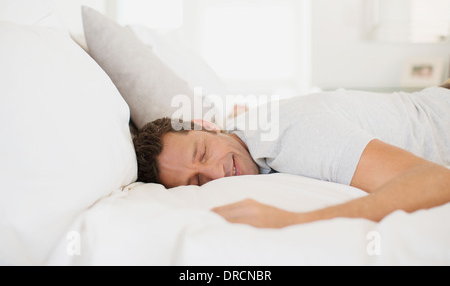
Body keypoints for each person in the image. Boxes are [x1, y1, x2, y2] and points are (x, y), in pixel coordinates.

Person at [133, 81, 450, 228]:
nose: (216, 174)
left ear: (207, 125)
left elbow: (437, 180)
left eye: (203, 153)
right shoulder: (241, 132)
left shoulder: (293, 136)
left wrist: (297, 221)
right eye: (198, 180)